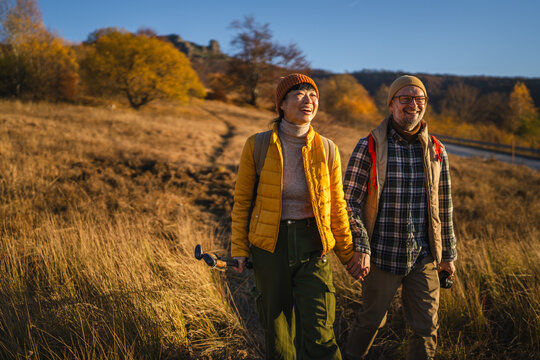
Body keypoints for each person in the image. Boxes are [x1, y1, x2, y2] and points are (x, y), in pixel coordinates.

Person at [230, 73, 355, 360]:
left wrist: (349, 255)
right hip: (270, 248)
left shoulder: (328, 149)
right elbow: (242, 202)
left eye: (313, 96)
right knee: (279, 336)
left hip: (313, 246)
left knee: (322, 333)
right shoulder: (257, 145)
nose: (308, 101)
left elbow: (337, 206)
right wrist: (239, 249)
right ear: (282, 104)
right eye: (299, 94)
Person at [343, 75, 458, 360]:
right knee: (370, 323)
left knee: (426, 328)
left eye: (419, 99)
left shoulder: (436, 150)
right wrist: (361, 246)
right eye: (405, 98)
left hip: (424, 257)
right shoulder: (369, 145)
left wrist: (448, 254)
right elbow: (349, 204)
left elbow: (444, 206)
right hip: (381, 256)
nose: (413, 104)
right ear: (391, 104)